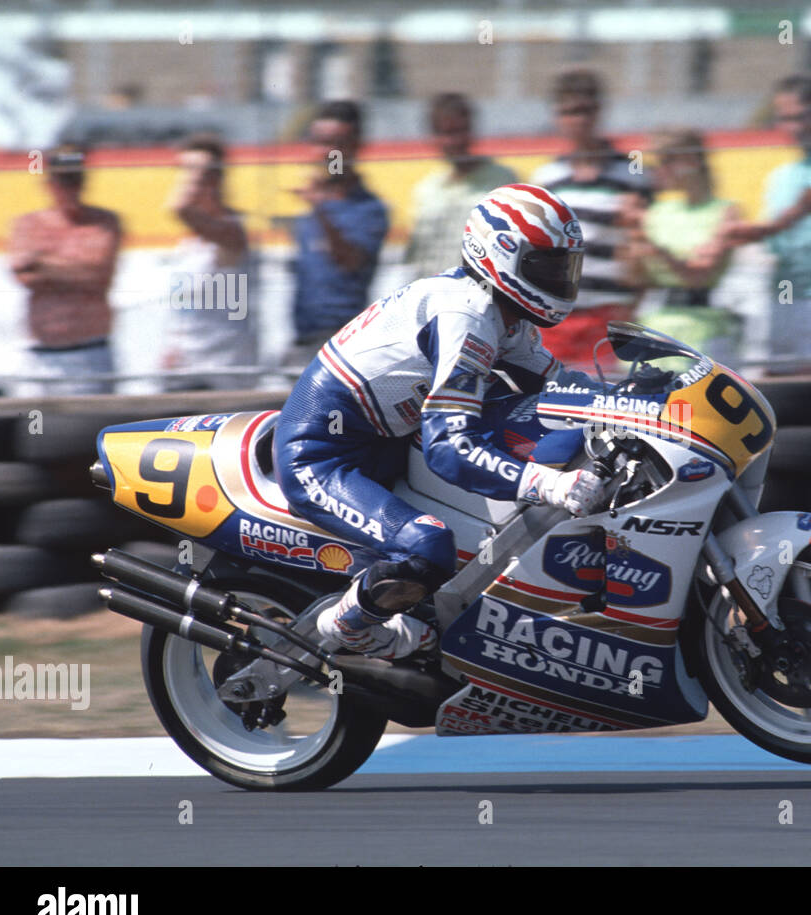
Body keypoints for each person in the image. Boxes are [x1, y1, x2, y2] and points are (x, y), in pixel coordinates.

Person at [271, 184, 603, 665]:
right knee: (428, 545)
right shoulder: (466, 315)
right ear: (499, 254)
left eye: (565, 267)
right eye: (547, 266)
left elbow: (561, 384)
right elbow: (449, 447)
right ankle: (348, 628)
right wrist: (548, 484)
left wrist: (637, 398)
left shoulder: (500, 312)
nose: (559, 279)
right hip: (324, 457)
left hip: (385, 441)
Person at [723, 74, 811, 374]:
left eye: (801, 117)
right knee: (775, 385)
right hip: (783, 296)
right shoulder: (781, 176)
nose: (794, 128)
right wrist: (740, 234)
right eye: (785, 119)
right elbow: (775, 238)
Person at [532, 68, 652, 367]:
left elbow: (645, 246)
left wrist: (634, 307)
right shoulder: (547, 177)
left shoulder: (632, 173)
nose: (579, 120)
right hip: (556, 316)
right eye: (569, 112)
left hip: (609, 312)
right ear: (557, 117)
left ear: (599, 112)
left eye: (585, 110)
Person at [8, 143, 122, 395]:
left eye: (75, 178)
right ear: (49, 182)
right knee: (30, 420)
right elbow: (22, 273)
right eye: (64, 179)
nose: (71, 186)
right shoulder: (29, 223)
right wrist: (80, 269)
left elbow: (99, 275)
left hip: (89, 355)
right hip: (38, 356)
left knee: (92, 421)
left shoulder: (103, 222)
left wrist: (42, 263)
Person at [284, 100, 389, 370]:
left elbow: (350, 261)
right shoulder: (310, 200)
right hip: (303, 338)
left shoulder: (369, 208)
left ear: (355, 146)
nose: (327, 153)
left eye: (336, 144)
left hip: (344, 342)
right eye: (319, 142)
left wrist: (321, 211)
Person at [623, 129, 743, 365]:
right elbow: (635, 278)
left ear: (692, 161)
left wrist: (657, 251)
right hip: (655, 325)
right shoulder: (657, 212)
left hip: (703, 327)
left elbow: (699, 275)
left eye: (667, 161)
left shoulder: (725, 211)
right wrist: (631, 237)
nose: (660, 170)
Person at [161, 133, 258, 390]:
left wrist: (195, 172)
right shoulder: (189, 243)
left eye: (198, 172)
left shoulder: (231, 230)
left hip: (224, 368)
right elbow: (184, 305)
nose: (190, 178)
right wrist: (173, 345)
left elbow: (178, 207)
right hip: (185, 365)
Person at [402, 93, 517, 279]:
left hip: (484, 288)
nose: (455, 141)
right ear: (433, 136)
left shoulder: (502, 180)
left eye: (460, 130)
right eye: (446, 133)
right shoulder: (426, 189)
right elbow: (417, 254)